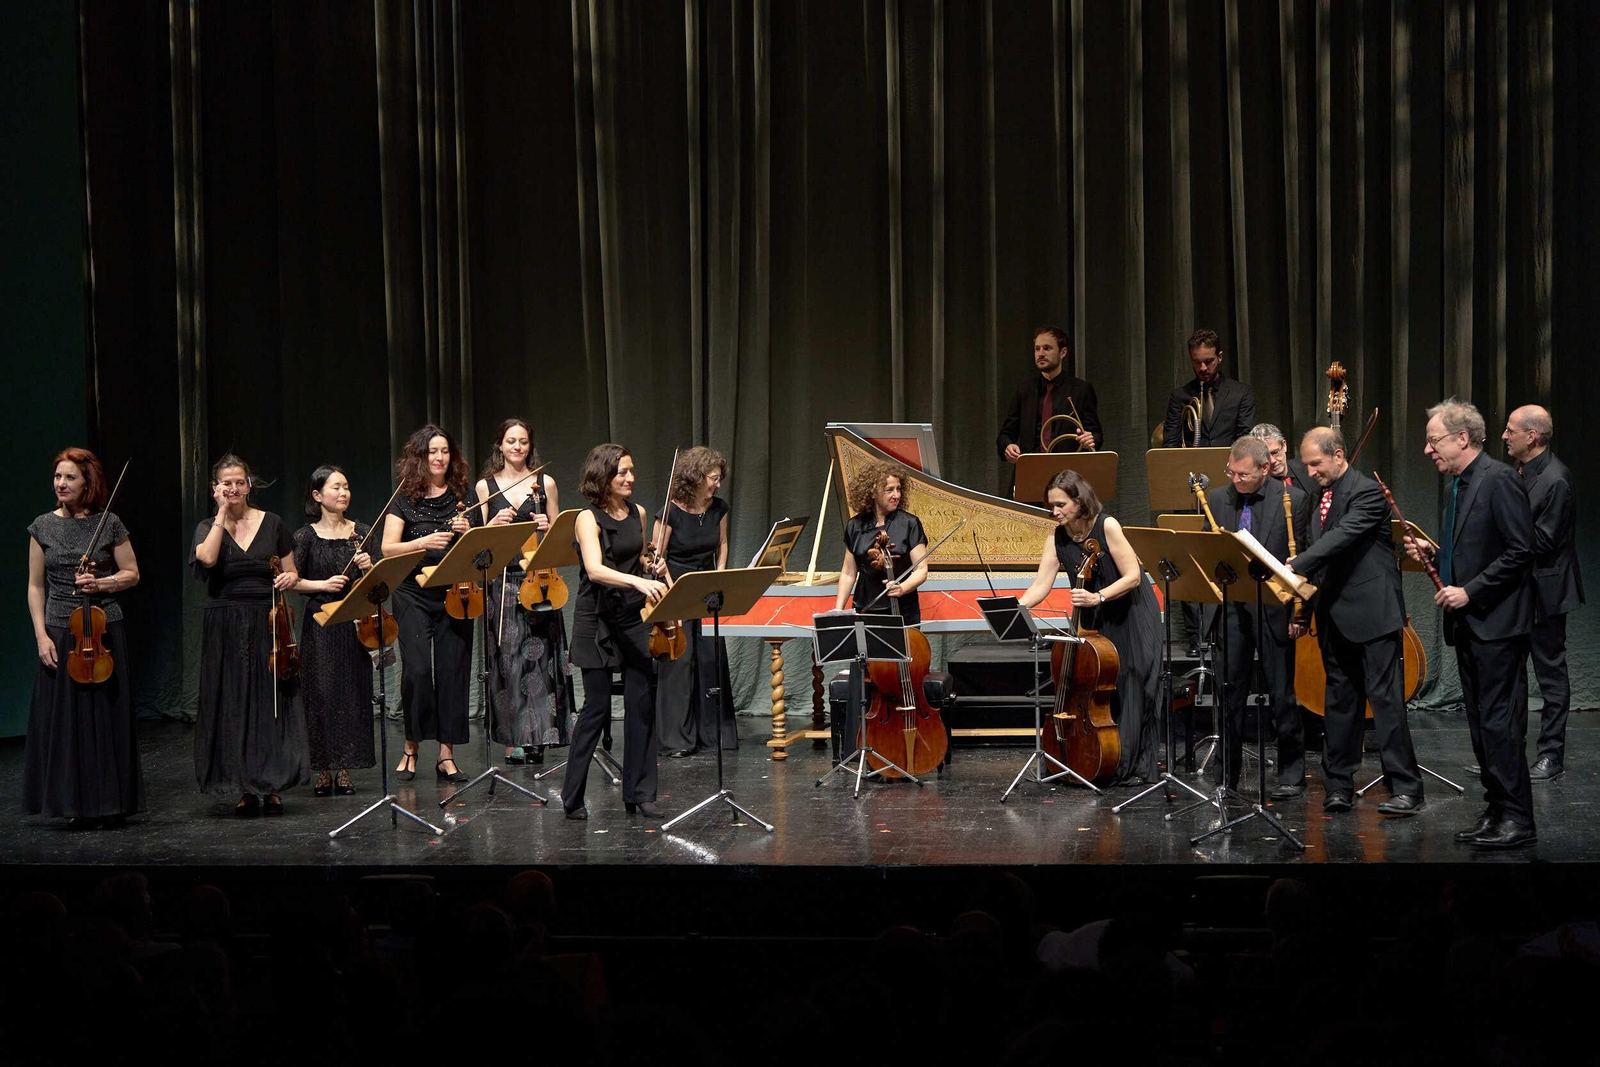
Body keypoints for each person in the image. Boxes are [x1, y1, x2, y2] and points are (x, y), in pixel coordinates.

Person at [1409, 399, 1535, 848]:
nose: (1428, 451)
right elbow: (1469, 548)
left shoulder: (1499, 479)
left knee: (1500, 724)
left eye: (1434, 441)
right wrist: (1432, 556)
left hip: (1497, 624)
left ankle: (1518, 819)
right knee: (1481, 725)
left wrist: (1471, 591)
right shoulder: (1457, 486)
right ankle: (1497, 808)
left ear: (1463, 438)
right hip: (1469, 625)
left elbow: (1521, 551)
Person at [1285, 428, 1423, 817]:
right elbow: (1321, 563)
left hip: (1373, 614)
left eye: (1316, 464)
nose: (1309, 471)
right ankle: (1339, 786)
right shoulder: (1315, 500)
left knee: (1386, 704)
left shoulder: (1367, 492)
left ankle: (1406, 788)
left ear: (1339, 455)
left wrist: (1296, 564)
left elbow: (1340, 539)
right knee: (1340, 704)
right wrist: (1304, 611)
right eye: (1307, 464)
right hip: (1333, 616)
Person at [1017, 469, 1161, 783]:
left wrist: (1098, 596)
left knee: (1132, 686)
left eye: (1060, 504)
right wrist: (1017, 608)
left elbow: (1133, 576)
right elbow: (1041, 584)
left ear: (1079, 501)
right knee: (1099, 689)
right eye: (1051, 505)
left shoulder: (1106, 525)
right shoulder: (1056, 536)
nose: (1053, 511)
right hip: (1093, 615)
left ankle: (1135, 767)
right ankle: (1099, 758)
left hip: (1130, 612)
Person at [25, 447, 144, 828]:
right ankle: (71, 802)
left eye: (69, 477)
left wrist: (102, 581)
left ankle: (111, 802)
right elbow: (34, 586)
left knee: (106, 715)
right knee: (66, 721)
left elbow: (132, 574)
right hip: (63, 631)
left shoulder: (109, 523)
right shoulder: (42, 525)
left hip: (105, 628)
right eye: (58, 477)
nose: (61, 483)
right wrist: (41, 635)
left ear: (87, 482)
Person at [191, 454, 309, 816]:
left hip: (266, 618)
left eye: (239, 482)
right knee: (233, 701)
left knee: (268, 701)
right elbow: (207, 559)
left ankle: (271, 784)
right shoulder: (207, 526)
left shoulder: (272, 523)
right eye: (226, 483)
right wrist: (221, 517)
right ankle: (243, 785)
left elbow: (293, 574)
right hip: (225, 620)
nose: (233, 488)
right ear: (215, 489)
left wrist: (289, 578)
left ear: (249, 485)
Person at [1200, 437, 1311, 796]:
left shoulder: (1293, 499)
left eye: (1244, 474)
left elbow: (1306, 561)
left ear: (1265, 468)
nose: (1236, 479)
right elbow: (1207, 555)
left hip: (1275, 608)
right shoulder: (1216, 499)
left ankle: (1291, 774)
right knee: (1229, 693)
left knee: (1282, 693)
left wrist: (1301, 612)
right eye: (1231, 472)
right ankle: (1226, 775)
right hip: (1231, 607)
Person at [562, 444, 668, 820]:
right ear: (603, 476)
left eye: (631, 471)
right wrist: (636, 583)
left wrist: (650, 566)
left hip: (632, 618)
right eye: (622, 472)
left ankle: (639, 792)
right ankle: (572, 796)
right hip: (596, 620)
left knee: (641, 703)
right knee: (597, 707)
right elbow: (595, 569)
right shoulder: (585, 519)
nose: (630, 478)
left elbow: (634, 556)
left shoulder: (637, 513)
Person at [473, 418, 570, 767]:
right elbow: (477, 543)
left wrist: (548, 525)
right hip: (503, 580)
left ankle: (541, 735)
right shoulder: (486, 488)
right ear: (500, 445)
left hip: (540, 578)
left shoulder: (546, 482)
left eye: (524, 441)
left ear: (530, 445)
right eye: (511, 441)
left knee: (540, 660)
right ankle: (513, 738)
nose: (517, 447)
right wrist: (491, 525)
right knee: (509, 661)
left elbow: (559, 538)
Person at [381, 425, 474, 784]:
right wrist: (423, 543)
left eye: (445, 451)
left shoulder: (462, 494)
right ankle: (411, 744)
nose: (439, 458)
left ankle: (446, 754)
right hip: (412, 592)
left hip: (455, 591)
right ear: (420, 456)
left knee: (453, 671)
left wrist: (468, 533)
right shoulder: (404, 498)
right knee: (417, 671)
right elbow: (388, 548)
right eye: (432, 451)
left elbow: (477, 548)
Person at [1503, 405, 1582, 781]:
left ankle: (1551, 755)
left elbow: (1543, 541)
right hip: (1518, 589)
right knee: (1512, 673)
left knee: (1550, 675)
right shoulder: (1518, 471)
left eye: (1510, 431)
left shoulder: (1556, 479)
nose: (1504, 436)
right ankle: (1511, 755)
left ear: (1531, 437)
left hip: (1546, 591)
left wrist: (1498, 537)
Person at [291, 465, 377, 798]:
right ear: (317, 495)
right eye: (335, 488)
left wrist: (370, 567)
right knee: (322, 694)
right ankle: (323, 769)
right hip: (321, 622)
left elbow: (377, 583)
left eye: (346, 487)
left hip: (354, 622)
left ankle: (345, 769)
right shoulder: (305, 536)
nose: (343, 493)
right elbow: (291, 579)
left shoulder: (362, 532)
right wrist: (322, 584)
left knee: (352, 693)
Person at [654, 446, 736, 757]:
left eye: (719, 478)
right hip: (676, 588)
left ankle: (713, 735)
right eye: (713, 478)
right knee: (680, 662)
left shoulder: (719, 508)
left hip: (707, 590)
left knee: (709, 657)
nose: (717, 484)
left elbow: (723, 544)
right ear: (696, 478)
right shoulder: (671, 510)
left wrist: (720, 576)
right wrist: (672, 591)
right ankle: (677, 739)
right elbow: (656, 556)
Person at [997, 326, 1102, 494]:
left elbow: (1096, 433)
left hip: (1067, 480)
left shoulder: (1081, 390)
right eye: (1037, 349)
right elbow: (1005, 434)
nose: (1041, 353)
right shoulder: (1024, 391)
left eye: (1047, 348)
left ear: (1063, 353)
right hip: (1029, 478)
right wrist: (1007, 447)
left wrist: (1091, 438)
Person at [1162, 328, 1256, 448]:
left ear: (1220, 357)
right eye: (1197, 362)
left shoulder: (1241, 393)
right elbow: (1170, 444)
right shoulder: (1179, 396)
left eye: (1208, 361)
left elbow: (1247, 441)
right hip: (1193, 466)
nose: (1203, 368)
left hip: (1231, 465)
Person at [1251, 422, 1317, 500]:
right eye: (1265, 456)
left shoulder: (1308, 469)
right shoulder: (1257, 488)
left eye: (1275, 453)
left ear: (1284, 445)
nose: (1272, 461)